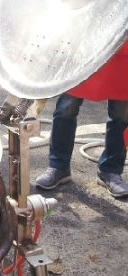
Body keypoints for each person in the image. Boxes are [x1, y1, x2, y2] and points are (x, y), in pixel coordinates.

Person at [35, 42, 128, 199]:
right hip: (85, 46)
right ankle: (59, 166)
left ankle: (110, 170)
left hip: (122, 46)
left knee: (121, 112)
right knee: (66, 107)